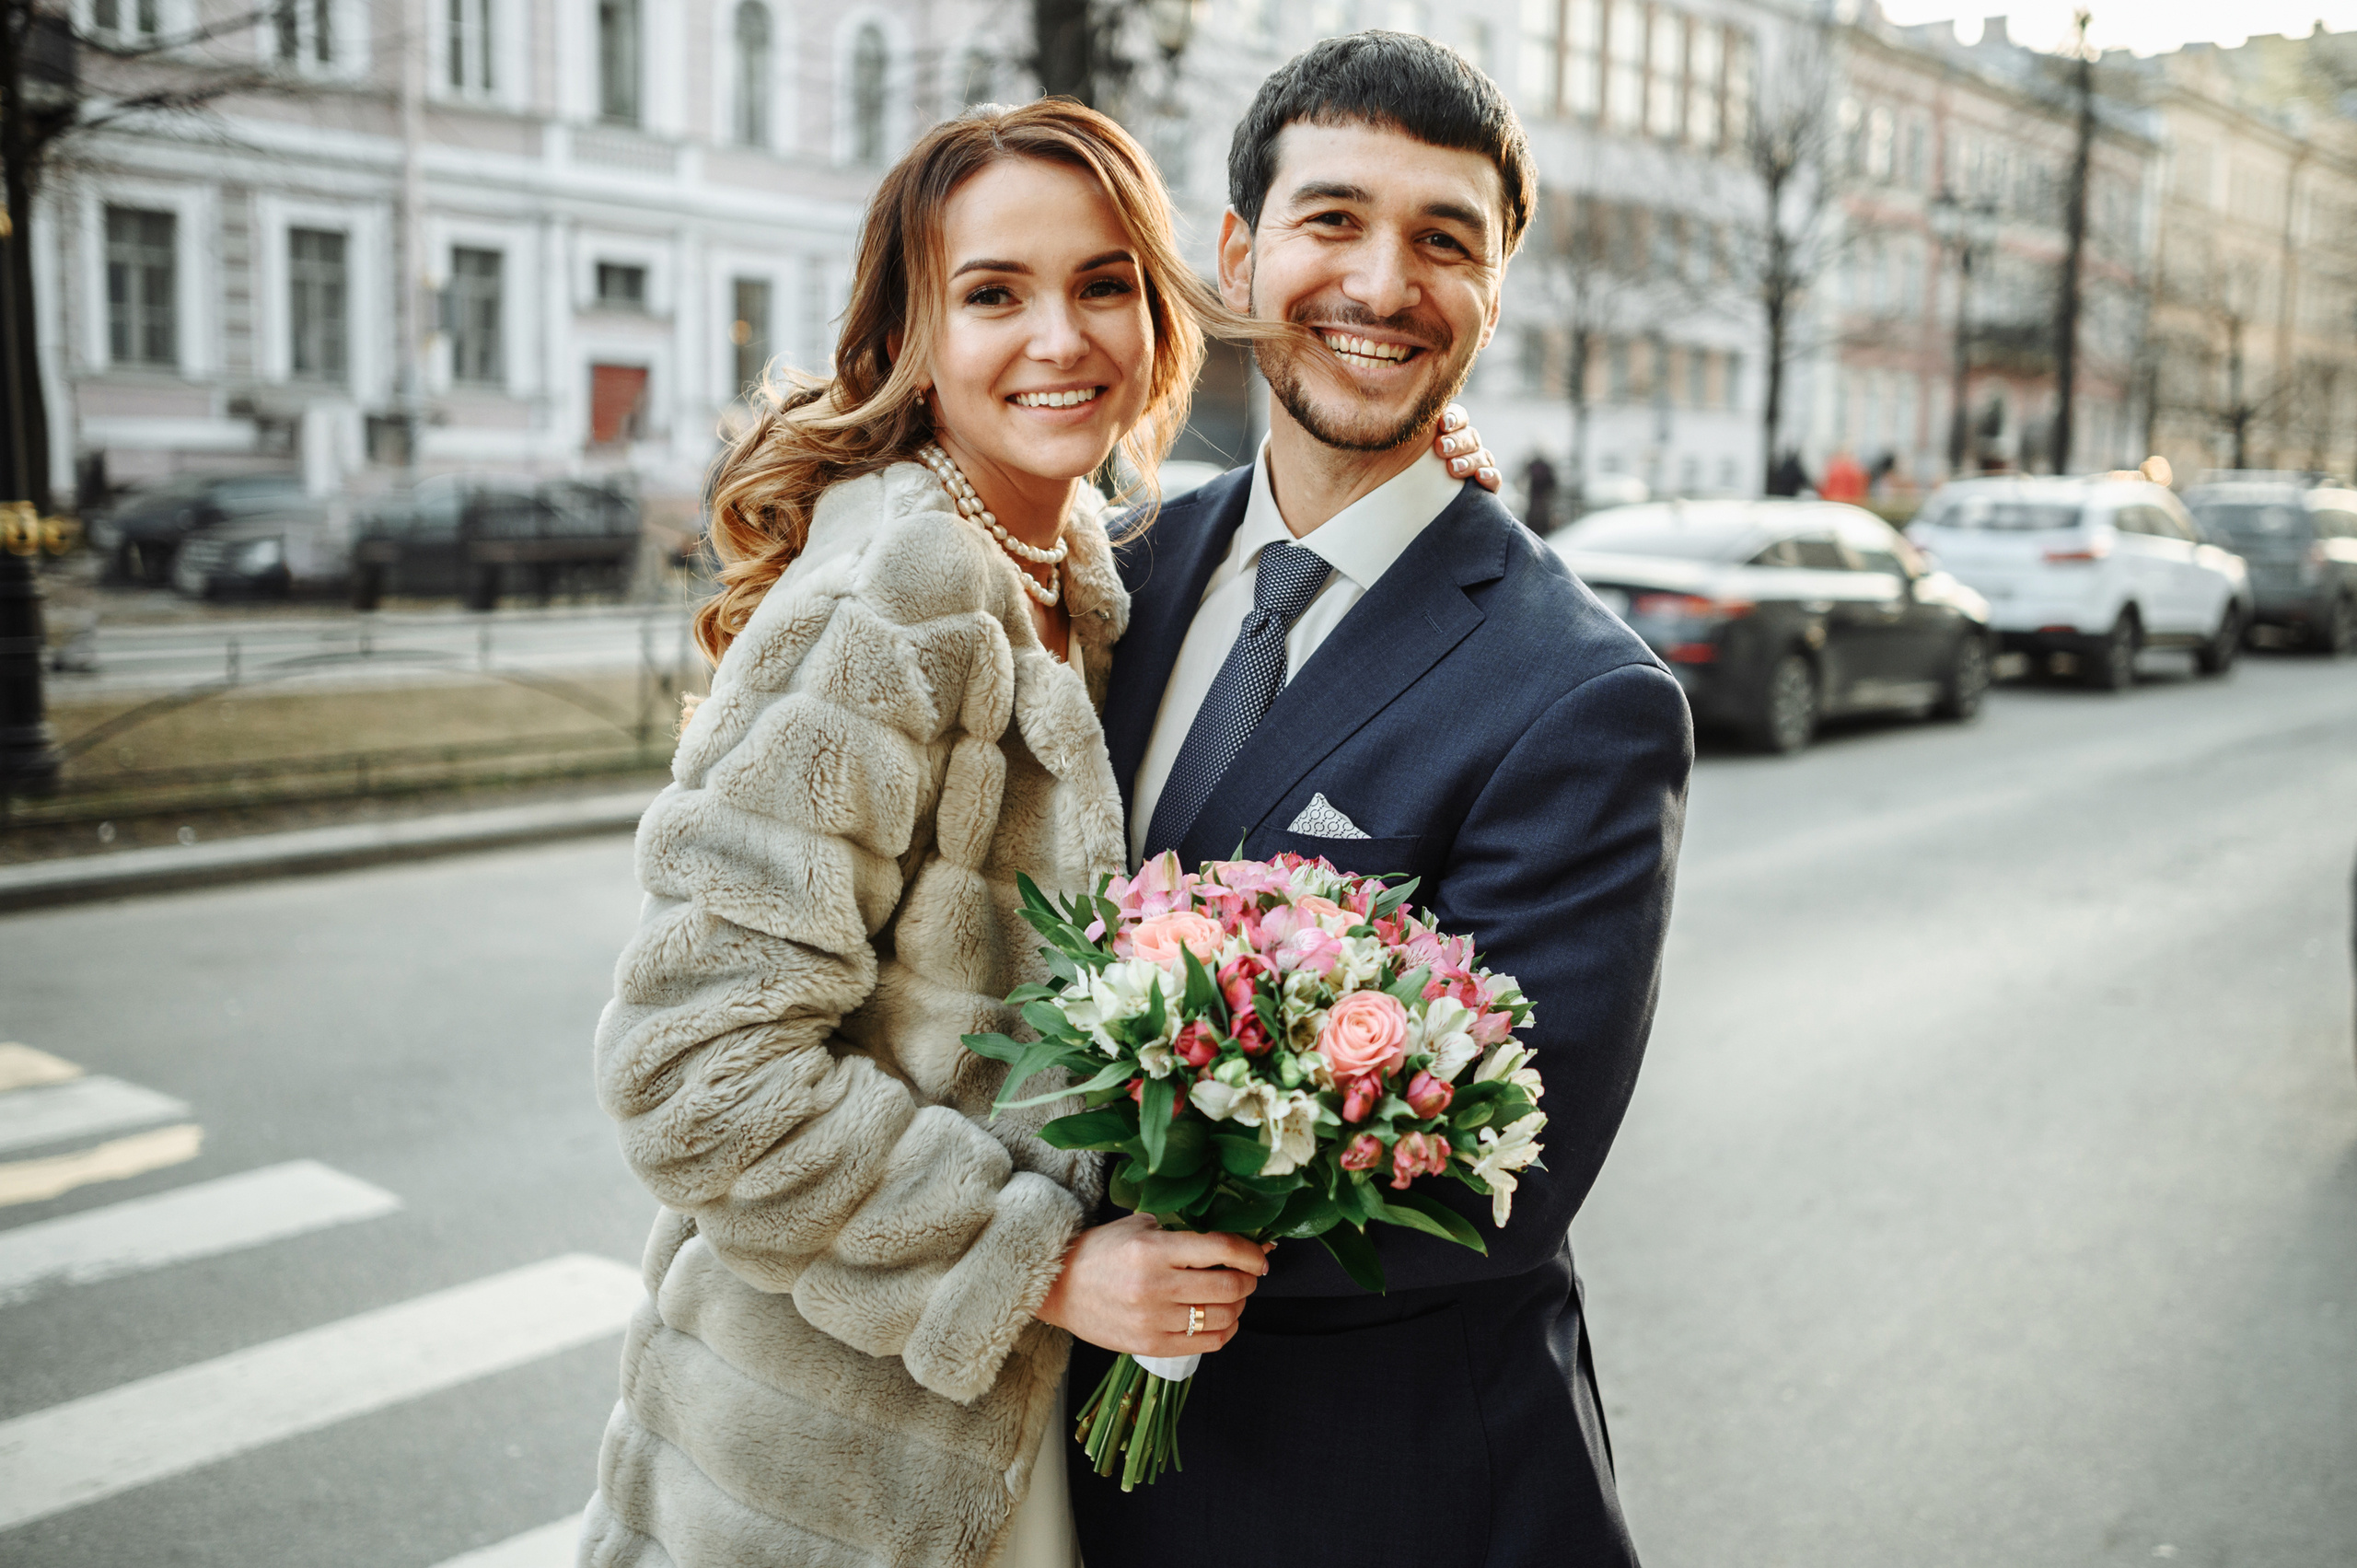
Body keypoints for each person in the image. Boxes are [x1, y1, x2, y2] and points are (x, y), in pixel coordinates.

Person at [578, 99, 1499, 1568]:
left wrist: (1415, 452)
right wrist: (1047, 1265)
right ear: (909, 340)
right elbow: (693, 1073)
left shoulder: (1076, 567)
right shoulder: (897, 596)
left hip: (974, 1438)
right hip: (821, 1471)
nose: (1059, 340)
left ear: (1163, 310)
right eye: (994, 295)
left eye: (1101, 285)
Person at [1069, 34, 1691, 1568]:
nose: (1383, 281)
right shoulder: (1110, 577)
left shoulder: (1584, 695)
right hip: (1060, 1477)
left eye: (1445, 241)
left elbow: (1511, 1179)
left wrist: (1104, 1253)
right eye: (1333, 219)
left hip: (1386, 1493)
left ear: (1491, 294)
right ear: (1240, 254)